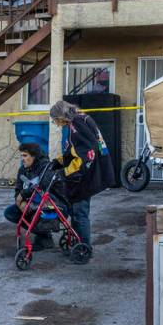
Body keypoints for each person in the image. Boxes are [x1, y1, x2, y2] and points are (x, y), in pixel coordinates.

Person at [48, 101, 116, 247]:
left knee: (79, 212)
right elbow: (75, 149)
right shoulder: (81, 119)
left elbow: (85, 153)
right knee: (77, 210)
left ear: (61, 116)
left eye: (55, 120)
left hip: (85, 174)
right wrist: (59, 161)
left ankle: (84, 247)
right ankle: (78, 242)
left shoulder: (77, 124)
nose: (56, 123)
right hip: (89, 171)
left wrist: (65, 171)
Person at [3, 142, 56, 250]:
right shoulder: (22, 169)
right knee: (10, 212)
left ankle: (45, 236)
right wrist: (21, 202)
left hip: (46, 205)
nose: (22, 159)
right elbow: (18, 189)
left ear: (34, 156)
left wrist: (23, 194)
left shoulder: (45, 168)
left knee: (36, 212)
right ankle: (44, 236)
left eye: (25, 155)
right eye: (21, 155)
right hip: (30, 204)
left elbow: (41, 186)